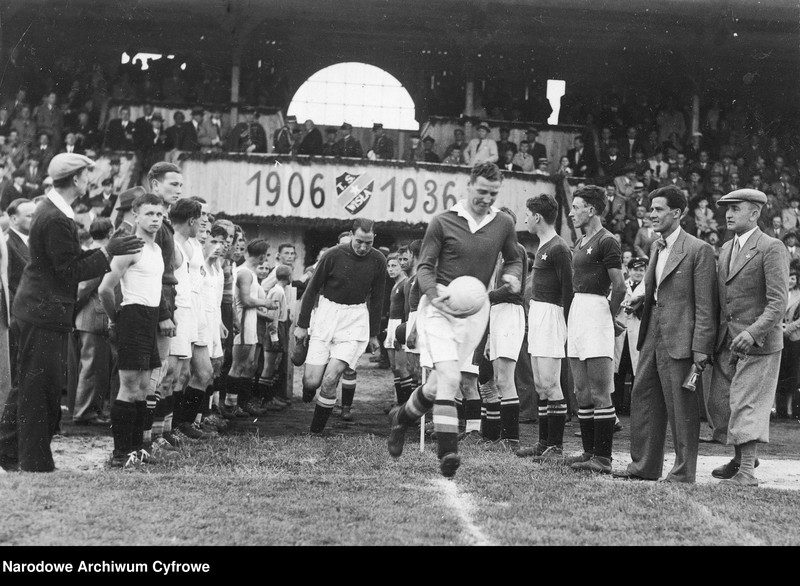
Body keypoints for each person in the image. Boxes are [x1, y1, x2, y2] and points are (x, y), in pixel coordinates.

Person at [0, 153, 143, 473]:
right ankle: (34, 461)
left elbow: (69, 261)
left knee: (30, 385)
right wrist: (109, 251)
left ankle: (9, 453)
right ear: (76, 179)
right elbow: (69, 270)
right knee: (40, 388)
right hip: (42, 312)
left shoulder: (52, 211)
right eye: (86, 175)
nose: (89, 181)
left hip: (38, 310)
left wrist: (105, 251)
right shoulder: (55, 217)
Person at [387, 162, 522, 478]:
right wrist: (434, 296)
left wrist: (513, 277)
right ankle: (448, 453)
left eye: (493, 193)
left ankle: (401, 420)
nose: (486, 198)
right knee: (449, 378)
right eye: (481, 191)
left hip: (474, 315)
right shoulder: (443, 221)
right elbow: (424, 267)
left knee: (436, 386)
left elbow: (514, 259)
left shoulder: (503, 224)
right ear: (469, 185)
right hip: (438, 310)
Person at [614, 185, 717, 483]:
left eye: (658, 209)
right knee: (643, 397)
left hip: (682, 338)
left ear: (677, 212)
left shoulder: (699, 249)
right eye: (650, 209)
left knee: (681, 408)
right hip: (651, 331)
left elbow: (705, 305)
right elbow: (660, 288)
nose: (651, 214)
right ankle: (643, 467)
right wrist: (642, 298)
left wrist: (701, 349)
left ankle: (683, 473)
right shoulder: (656, 246)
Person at [706, 188, 788, 487]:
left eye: (735, 208)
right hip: (730, 341)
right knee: (724, 404)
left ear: (755, 213)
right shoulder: (727, 248)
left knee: (746, 403)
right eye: (726, 208)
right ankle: (742, 459)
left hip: (759, 343)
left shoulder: (772, 246)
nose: (728, 213)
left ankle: (746, 474)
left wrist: (753, 333)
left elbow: (778, 302)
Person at [295, 218, 386, 434]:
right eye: (359, 242)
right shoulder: (333, 255)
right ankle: (310, 387)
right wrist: (302, 325)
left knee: (331, 377)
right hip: (327, 314)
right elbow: (311, 290)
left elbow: (378, 298)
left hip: (354, 320)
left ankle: (316, 431)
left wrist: (373, 334)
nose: (363, 247)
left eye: (368, 243)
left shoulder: (378, 260)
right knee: (311, 381)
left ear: (374, 239)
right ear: (351, 235)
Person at [98, 193, 167, 467]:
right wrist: (117, 318)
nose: (155, 219)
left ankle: (136, 450)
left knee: (143, 388)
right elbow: (105, 288)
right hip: (132, 315)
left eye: (159, 215)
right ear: (135, 215)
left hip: (149, 318)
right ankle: (119, 454)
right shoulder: (130, 247)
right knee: (128, 387)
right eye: (149, 214)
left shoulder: (157, 249)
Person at [563, 184, 627, 474]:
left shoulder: (607, 241)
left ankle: (604, 458)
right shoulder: (580, 241)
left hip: (597, 311)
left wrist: (607, 317)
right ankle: (589, 451)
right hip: (578, 311)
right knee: (581, 389)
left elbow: (621, 286)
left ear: (591, 209)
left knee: (600, 390)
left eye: (576, 207)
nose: (572, 212)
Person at [515, 194, 573, 460]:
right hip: (537, 313)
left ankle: (556, 447)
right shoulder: (542, 245)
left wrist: (566, 326)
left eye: (527, 214)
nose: (525, 219)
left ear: (537, 217)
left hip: (551, 315)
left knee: (551, 383)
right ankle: (543, 443)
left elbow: (568, 291)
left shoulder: (559, 248)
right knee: (540, 384)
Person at [478, 206, 529, 452]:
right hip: (497, 314)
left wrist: (485, 296)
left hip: (509, 311)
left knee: (506, 379)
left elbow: (513, 290)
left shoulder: (516, 250)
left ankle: (511, 439)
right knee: (497, 378)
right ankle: (501, 437)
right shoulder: (496, 252)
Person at [223, 238, 276, 418]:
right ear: (261, 256)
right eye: (265, 255)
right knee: (238, 364)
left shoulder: (250, 273)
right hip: (243, 321)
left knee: (249, 365)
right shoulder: (244, 273)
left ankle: (243, 402)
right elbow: (245, 300)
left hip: (251, 322)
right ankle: (231, 404)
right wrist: (266, 303)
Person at [72, 218, 116, 427]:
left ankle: (91, 410)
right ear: (111, 231)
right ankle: (84, 412)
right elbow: (84, 288)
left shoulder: (91, 250)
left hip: (91, 316)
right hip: (93, 317)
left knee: (94, 367)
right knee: (92, 367)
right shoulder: (101, 255)